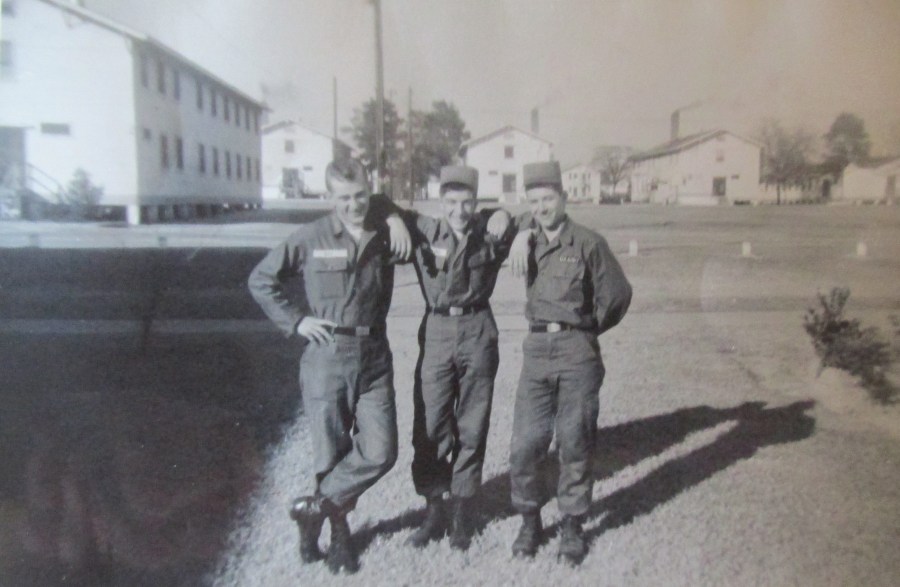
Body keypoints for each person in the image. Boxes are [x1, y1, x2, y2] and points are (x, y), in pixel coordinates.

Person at [247, 158, 411, 575]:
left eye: (360, 196)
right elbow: (261, 279)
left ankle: (313, 510)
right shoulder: (311, 236)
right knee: (331, 452)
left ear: (370, 191)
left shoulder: (382, 231)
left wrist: (394, 216)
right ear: (329, 197)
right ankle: (339, 537)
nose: (354, 205)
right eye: (344, 198)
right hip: (327, 355)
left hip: (374, 355)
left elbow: (405, 214)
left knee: (382, 450)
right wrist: (296, 321)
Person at [506, 161, 632, 565]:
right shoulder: (526, 238)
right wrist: (520, 231)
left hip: (577, 349)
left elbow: (618, 296)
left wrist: (586, 330)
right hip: (536, 350)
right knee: (526, 442)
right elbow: (494, 222)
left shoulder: (588, 242)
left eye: (548, 199)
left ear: (563, 197)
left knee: (575, 440)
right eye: (533, 202)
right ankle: (530, 521)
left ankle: (573, 525)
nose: (541, 208)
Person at [392, 165, 513, 551]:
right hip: (438, 330)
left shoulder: (489, 231)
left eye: (467, 202)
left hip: (478, 329)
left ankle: (463, 511)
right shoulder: (424, 230)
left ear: (475, 202)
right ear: (439, 200)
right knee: (430, 423)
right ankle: (434, 509)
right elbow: (378, 205)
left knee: (472, 424)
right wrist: (394, 220)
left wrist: (503, 213)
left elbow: (532, 218)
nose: (459, 211)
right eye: (451, 202)